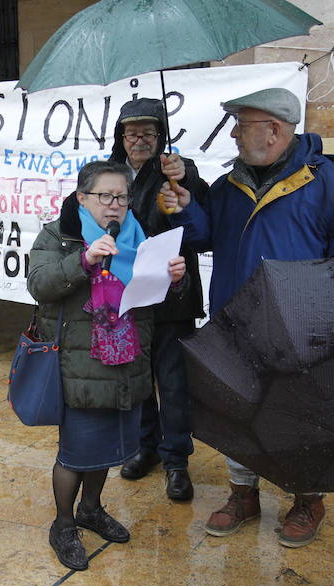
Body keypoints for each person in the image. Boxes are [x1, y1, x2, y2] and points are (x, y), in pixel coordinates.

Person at [160, 88, 334, 548]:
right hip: (235, 323)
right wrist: (184, 208)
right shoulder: (227, 186)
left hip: (303, 328)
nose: (235, 135)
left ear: (275, 129)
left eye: (243, 125)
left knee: (305, 415)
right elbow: (204, 238)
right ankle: (244, 493)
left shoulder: (331, 184)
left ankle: (307, 497)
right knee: (238, 410)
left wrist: (327, 304)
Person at [29, 160, 186, 570]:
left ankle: (91, 509)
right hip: (79, 364)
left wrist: (175, 279)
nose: (115, 206)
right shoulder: (59, 236)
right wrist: (83, 260)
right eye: (105, 197)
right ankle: (64, 524)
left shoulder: (140, 239)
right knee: (76, 451)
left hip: (127, 362)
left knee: (107, 449)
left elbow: (152, 301)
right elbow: (39, 285)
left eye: (122, 197)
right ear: (82, 198)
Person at [109, 98, 210, 501]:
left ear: (160, 137)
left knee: (172, 383)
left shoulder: (179, 172)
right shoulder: (109, 175)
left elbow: (200, 223)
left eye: (148, 133)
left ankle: (176, 462)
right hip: (128, 297)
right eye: (132, 133)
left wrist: (183, 181)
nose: (140, 140)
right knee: (136, 383)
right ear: (121, 137)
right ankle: (144, 448)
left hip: (171, 296)